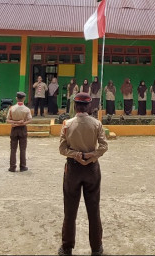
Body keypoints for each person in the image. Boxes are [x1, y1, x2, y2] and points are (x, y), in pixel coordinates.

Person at [58, 92, 108, 256]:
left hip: (73, 168)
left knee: (70, 209)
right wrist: (90, 156)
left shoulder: (67, 124)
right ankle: (96, 247)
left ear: (75, 106)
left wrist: (76, 155)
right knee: (93, 208)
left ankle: (67, 247)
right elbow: (103, 146)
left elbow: (62, 149)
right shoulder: (96, 124)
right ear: (88, 106)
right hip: (91, 168)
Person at [7, 92, 32, 172]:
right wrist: (22, 123)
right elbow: (30, 120)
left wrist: (15, 123)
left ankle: (12, 167)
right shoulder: (26, 109)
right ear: (24, 99)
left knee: (13, 149)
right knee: (23, 149)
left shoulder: (12, 108)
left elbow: (7, 120)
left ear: (16, 98)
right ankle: (22, 166)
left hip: (14, 129)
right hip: (22, 129)